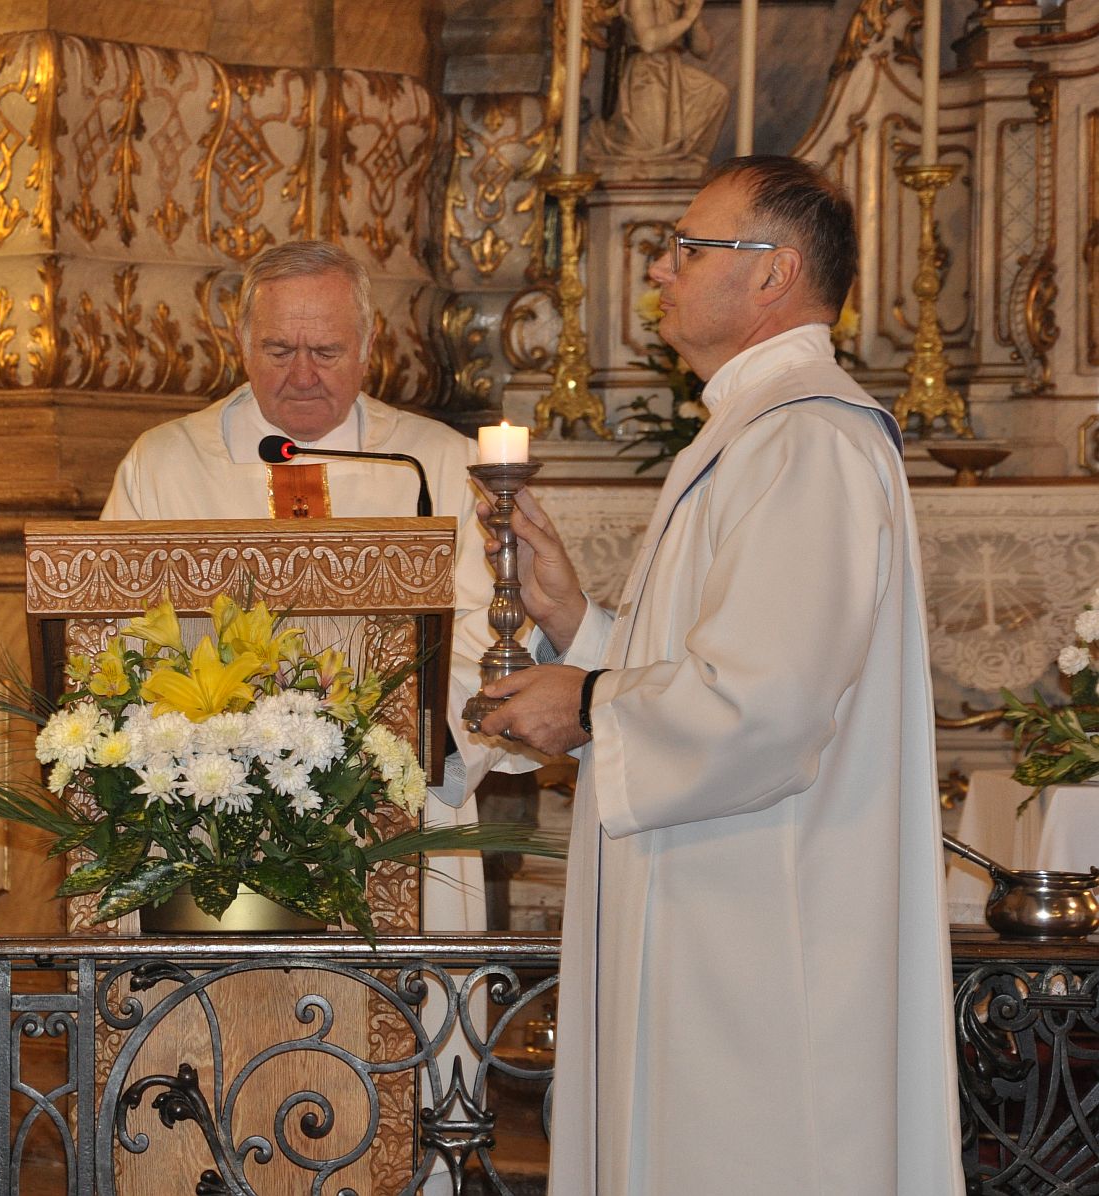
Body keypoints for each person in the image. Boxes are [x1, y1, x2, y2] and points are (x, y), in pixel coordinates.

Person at [480, 156, 962, 1193]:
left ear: (773, 272)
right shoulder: (761, 426)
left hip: (762, 936)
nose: (659, 270)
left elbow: (767, 706)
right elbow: (719, 666)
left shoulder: (808, 439)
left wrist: (591, 703)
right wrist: (580, 627)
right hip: (717, 904)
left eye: (687, 249)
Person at [104, 239, 502, 939]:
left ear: (369, 345)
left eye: (326, 351)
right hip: (211, 800)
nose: (303, 376)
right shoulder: (164, 463)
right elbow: (114, 633)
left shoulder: (438, 463)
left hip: (392, 797)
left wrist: (405, 738)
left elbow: (491, 627)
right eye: (279, 350)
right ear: (239, 342)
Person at [586, 0, 728, 177]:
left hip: (673, 69)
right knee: (649, 144)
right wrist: (686, 19)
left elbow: (703, 50)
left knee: (715, 93)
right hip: (646, 72)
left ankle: (688, 157)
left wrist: (694, 18)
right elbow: (649, 42)